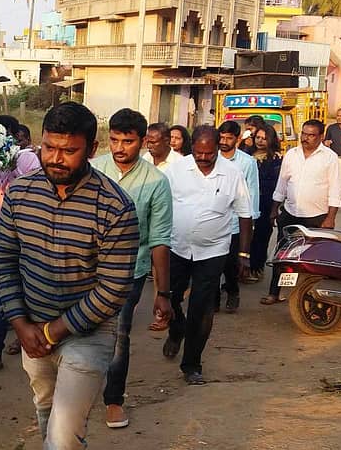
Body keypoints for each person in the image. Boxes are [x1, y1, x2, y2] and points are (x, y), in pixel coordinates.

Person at [0, 102, 139, 449]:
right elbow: (4, 258)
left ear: (92, 149)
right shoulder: (20, 193)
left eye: (69, 151)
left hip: (88, 334)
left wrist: (52, 331)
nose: (56, 158)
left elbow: (113, 289)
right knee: (46, 410)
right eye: (49, 147)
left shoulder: (115, 207)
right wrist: (20, 323)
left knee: (62, 437)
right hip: (32, 329)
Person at [92, 109, 173, 429]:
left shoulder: (156, 182)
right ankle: (74, 392)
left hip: (129, 272)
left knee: (118, 334)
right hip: (84, 267)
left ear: (142, 142)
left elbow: (160, 239)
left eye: (127, 141)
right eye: (114, 140)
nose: (119, 148)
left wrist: (163, 293)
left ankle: (113, 400)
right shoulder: (92, 170)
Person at [162, 126, 253, 385]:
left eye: (209, 153)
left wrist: (243, 253)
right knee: (170, 298)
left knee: (201, 309)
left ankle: (192, 364)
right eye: (198, 153)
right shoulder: (176, 170)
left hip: (213, 252)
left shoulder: (232, 174)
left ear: (217, 149)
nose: (203, 158)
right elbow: (161, 205)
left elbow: (245, 214)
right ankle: (176, 329)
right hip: (177, 248)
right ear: (191, 148)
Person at [0, 115, 39, 376]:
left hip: (28, 236)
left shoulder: (27, 160)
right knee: (4, 294)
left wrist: (13, 169)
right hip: (1, 237)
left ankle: (18, 337)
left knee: (26, 291)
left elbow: (35, 191)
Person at [262, 119, 341, 304]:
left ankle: (312, 296)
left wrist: (330, 218)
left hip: (317, 216)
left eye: (311, 135)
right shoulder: (292, 154)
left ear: (320, 137)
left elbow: (335, 190)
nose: (305, 138)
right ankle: (274, 292)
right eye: (303, 134)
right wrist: (274, 209)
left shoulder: (329, 157)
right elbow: (282, 183)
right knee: (283, 254)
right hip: (290, 213)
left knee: (315, 257)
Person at [215, 121, 259, 313]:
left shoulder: (247, 162)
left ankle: (233, 292)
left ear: (237, 139)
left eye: (229, 138)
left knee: (230, 264)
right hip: (214, 221)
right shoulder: (212, 157)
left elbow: (252, 192)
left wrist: (251, 220)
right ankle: (214, 299)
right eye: (221, 137)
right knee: (213, 264)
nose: (224, 142)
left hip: (235, 222)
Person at [248, 124, 282, 282]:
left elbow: (278, 184)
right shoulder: (246, 155)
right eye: (258, 137)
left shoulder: (276, 159)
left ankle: (257, 268)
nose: (260, 141)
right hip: (247, 202)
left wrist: (275, 208)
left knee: (261, 237)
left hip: (266, 203)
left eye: (264, 138)